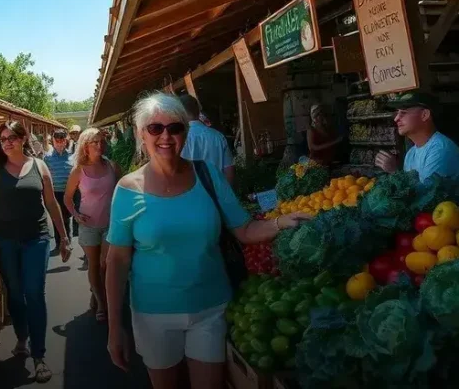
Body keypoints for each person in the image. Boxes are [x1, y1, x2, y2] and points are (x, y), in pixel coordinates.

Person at [105, 93, 309, 389]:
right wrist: (114, 328)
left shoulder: (207, 175)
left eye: (175, 128)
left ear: (186, 132)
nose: (166, 136)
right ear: (141, 134)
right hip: (154, 314)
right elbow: (117, 260)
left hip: (211, 310)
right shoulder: (127, 189)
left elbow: (245, 230)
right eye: (155, 128)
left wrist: (281, 222)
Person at [0, 121, 71, 384]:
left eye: (12, 137)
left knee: (34, 293)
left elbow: (51, 203)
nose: (7, 142)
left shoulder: (40, 166)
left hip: (37, 239)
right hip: (5, 241)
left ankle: (39, 356)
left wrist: (64, 237)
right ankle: (22, 338)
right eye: (3, 138)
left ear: (23, 139)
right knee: (15, 295)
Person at [63, 127, 119, 322]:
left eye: (101, 141)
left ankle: (100, 296)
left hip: (111, 224)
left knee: (105, 264)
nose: (99, 145)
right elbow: (68, 199)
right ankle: (101, 303)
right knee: (94, 265)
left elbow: (123, 194)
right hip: (88, 225)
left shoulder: (112, 166)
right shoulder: (79, 170)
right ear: (85, 147)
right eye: (94, 142)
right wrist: (76, 216)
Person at [375, 91, 459, 191]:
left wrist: (394, 172)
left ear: (424, 115)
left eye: (403, 112)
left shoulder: (440, 150)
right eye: (397, 113)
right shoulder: (411, 153)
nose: (396, 118)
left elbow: (426, 196)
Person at [178, 94, 235, 185]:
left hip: (191, 195)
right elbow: (229, 171)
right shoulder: (218, 136)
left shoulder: (178, 139)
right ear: (198, 111)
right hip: (218, 194)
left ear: (180, 112)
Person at [43, 129, 74, 253]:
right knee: (56, 218)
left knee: (66, 218)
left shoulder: (72, 157)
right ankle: (58, 243)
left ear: (66, 141)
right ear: (53, 141)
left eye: (63, 140)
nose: (60, 143)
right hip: (54, 194)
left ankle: (68, 242)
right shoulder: (47, 158)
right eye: (57, 141)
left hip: (68, 194)